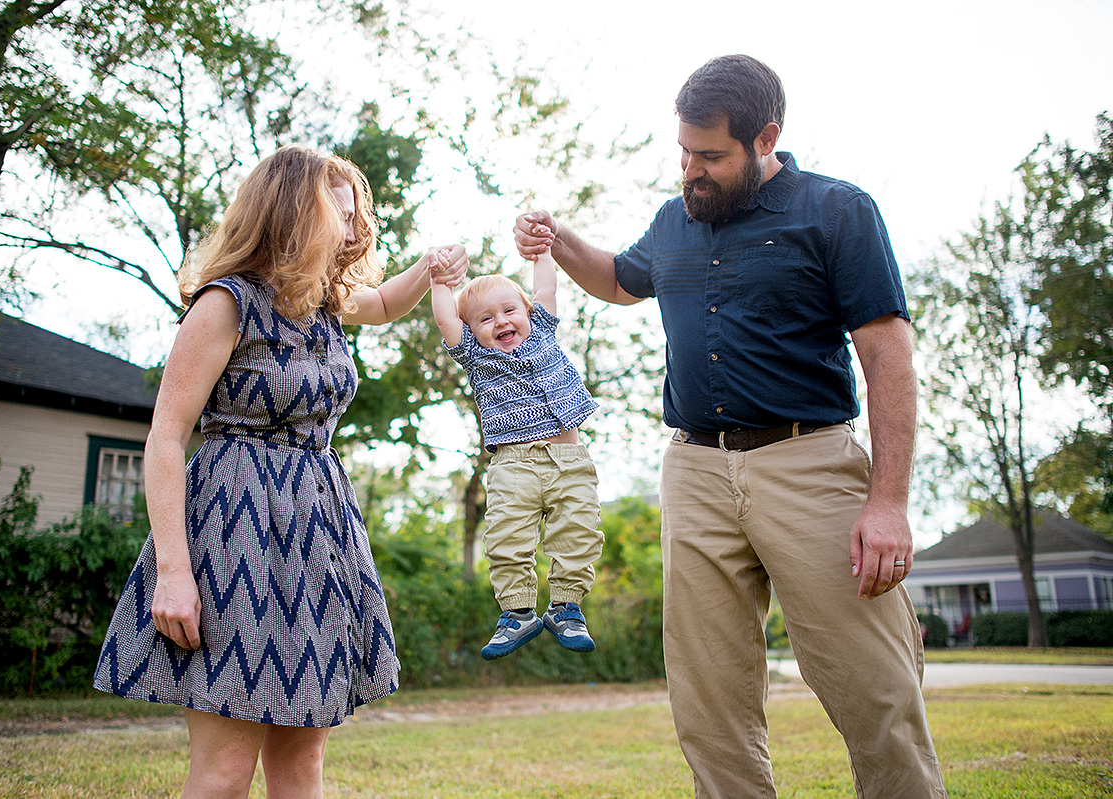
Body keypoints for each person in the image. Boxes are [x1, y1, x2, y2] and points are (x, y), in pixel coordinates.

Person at [514, 55, 946, 798]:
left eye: (710, 154)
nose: (692, 169)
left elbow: (887, 354)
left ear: (766, 136)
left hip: (807, 459)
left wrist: (888, 502)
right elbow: (621, 279)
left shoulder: (837, 210)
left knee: (874, 685)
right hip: (694, 470)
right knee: (709, 694)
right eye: (684, 150)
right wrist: (559, 239)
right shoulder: (676, 217)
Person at [93, 146, 468, 799]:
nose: (354, 233)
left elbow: (379, 304)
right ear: (293, 214)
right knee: (225, 770)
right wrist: (174, 572)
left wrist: (430, 271)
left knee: (301, 765)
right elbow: (165, 437)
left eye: (358, 218)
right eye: (339, 217)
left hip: (318, 533)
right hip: (231, 532)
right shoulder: (226, 303)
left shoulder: (325, 301)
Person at [429, 249, 603, 660]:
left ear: (529, 313)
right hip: (513, 465)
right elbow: (445, 319)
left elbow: (546, 286)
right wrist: (440, 284)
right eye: (485, 319)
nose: (501, 322)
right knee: (506, 538)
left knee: (578, 531)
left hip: (569, 460)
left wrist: (542, 253)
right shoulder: (476, 355)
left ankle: (566, 607)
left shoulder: (543, 330)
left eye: (509, 311)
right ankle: (517, 612)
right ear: (472, 331)